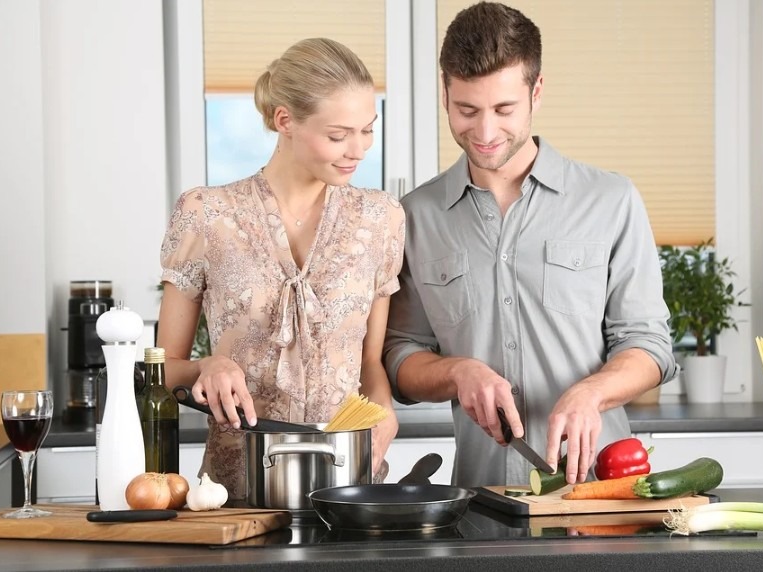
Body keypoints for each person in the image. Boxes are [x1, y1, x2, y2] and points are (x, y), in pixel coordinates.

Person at [383, 2, 676, 489]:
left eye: (504, 109)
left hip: (602, 497)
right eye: (466, 110)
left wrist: (593, 392)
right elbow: (400, 355)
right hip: (480, 505)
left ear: (537, 92)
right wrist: (458, 372)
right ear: (444, 93)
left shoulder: (610, 200)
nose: (484, 132)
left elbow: (649, 344)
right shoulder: (416, 216)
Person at [157, 38, 405, 500]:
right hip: (235, 493)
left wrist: (384, 410)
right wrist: (207, 366)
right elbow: (160, 372)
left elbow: (370, 361)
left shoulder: (382, 218)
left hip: (348, 487)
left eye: (367, 130)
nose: (358, 149)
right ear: (284, 120)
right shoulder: (207, 214)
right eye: (338, 135)